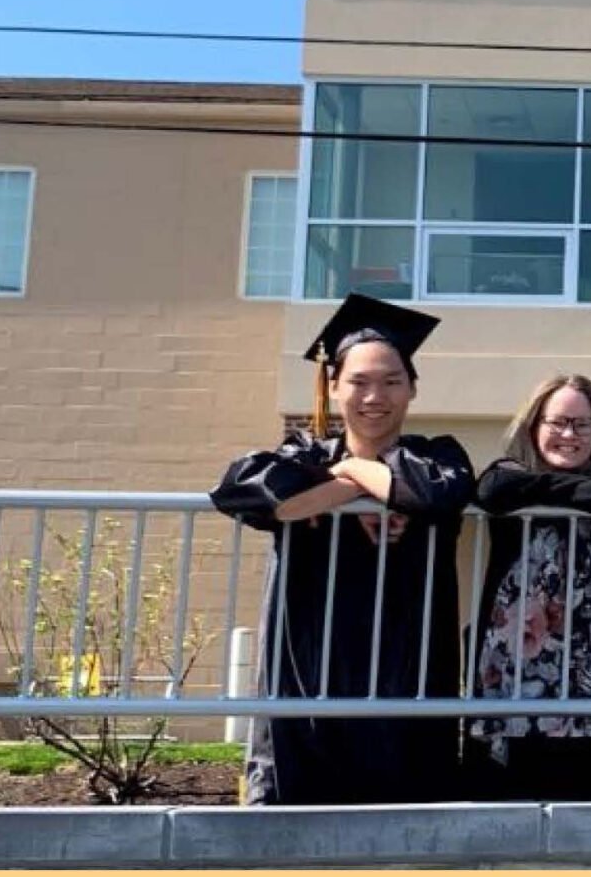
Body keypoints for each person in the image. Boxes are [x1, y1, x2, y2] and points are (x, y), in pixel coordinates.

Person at [210, 294, 474, 805]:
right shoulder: (303, 455)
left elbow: (439, 495)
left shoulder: (434, 455)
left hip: (405, 673)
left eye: (392, 381)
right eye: (358, 381)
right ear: (333, 387)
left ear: (413, 389)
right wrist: (365, 483)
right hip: (308, 670)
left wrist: (348, 476)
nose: (375, 396)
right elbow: (254, 496)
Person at [464, 374, 591, 801]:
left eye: (582, 425)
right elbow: (494, 490)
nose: (569, 435)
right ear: (534, 426)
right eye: (557, 422)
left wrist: (544, 492)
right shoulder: (508, 474)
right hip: (512, 672)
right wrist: (579, 492)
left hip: (590, 669)